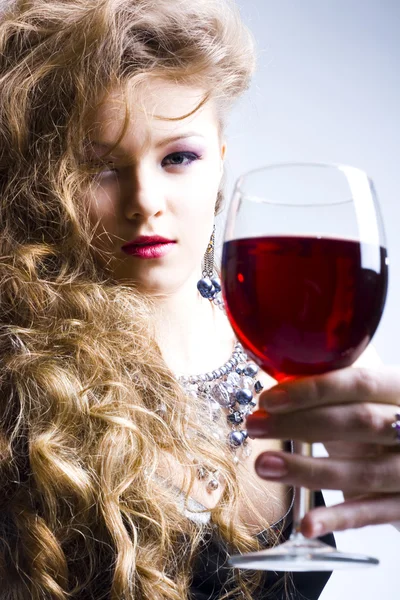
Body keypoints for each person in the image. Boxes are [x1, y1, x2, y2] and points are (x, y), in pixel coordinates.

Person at [0, 1, 399, 599]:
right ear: (46, 184)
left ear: (221, 159)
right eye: (101, 167)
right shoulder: (24, 386)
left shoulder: (278, 346)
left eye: (177, 157)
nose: (146, 200)